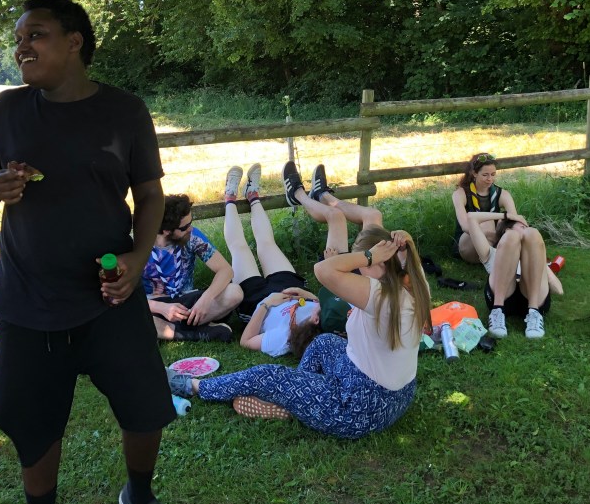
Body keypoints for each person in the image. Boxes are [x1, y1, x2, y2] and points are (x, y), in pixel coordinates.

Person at [0, 0, 174, 504]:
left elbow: (150, 194)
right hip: (27, 299)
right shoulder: (7, 109)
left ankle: (139, 495)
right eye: (18, 39)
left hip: (109, 295)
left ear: (74, 41)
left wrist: (138, 256)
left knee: (145, 406)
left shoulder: (125, 111)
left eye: (35, 35)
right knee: (32, 421)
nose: (22, 47)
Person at [169, 162, 432, 440]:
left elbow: (323, 271)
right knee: (324, 343)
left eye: (363, 264)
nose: (358, 268)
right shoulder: (414, 283)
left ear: (380, 262)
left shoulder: (378, 294)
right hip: (396, 399)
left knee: (268, 375)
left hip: (358, 409)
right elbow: (391, 260)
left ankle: (194, 386)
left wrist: (368, 256)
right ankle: (299, 397)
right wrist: (404, 241)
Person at [451, 152, 558, 339]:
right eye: (485, 175)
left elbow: (515, 223)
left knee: (520, 234)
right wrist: (503, 219)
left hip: (497, 243)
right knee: (489, 226)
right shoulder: (460, 194)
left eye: (493, 174)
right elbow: (467, 225)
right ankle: (499, 261)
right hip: (469, 241)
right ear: (474, 174)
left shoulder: (502, 194)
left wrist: (517, 232)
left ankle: (508, 260)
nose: (490, 179)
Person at [224, 163, 322, 358]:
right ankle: (253, 195)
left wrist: (267, 304)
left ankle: (229, 197)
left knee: (239, 248)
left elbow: (245, 341)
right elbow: (323, 302)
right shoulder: (324, 322)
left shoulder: (283, 339)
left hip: (257, 301)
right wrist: (307, 295)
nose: (319, 312)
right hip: (290, 290)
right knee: (267, 244)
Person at [142, 194, 243, 342]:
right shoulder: (140, 247)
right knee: (131, 314)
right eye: (184, 227)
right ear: (166, 231)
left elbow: (226, 271)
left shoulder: (192, 237)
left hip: (187, 302)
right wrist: (161, 308)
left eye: (191, 222)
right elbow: (127, 297)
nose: (190, 228)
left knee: (235, 292)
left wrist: (206, 299)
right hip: (154, 305)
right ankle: (192, 332)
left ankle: (168, 330)